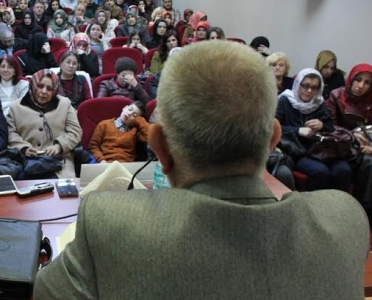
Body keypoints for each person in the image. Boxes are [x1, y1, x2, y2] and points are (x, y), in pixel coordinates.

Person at [33, 41, 369, 300]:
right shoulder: (346, 218)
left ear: (159, 147)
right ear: (273, 139)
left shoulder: (108, 222)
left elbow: (44, 292)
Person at [276, 68, 351, 192]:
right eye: (305, 85)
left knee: (343, 170)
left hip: (321, 148)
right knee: (321, 172)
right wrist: (298, 130)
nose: (309, 90)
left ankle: (339, 205)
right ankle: (318, 207)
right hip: (298, 150)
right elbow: (275, 127)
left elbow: (330, 127)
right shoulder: (285, 100)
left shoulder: (318, 103)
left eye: (314, 87)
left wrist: (322, 125)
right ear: (297, 84)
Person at [7, 69, 82, 178]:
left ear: (55, 90)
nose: (44, 91)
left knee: (61, 192)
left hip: (58, 161)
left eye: (49, 89)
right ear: (33, 85)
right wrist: (24, 148)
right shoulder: (15, 107)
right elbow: (10, 133)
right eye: (40, 86)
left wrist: (59, 146)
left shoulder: (65, 104)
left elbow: (75, 132)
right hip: (26, 161)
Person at [326, 63, 372, 209]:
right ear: (351, 79)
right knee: (368, 163)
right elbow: (329, 127)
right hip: (341, 146)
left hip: (366, 147)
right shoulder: (337, 95)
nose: (360, 86)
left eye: (367, 83)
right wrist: (353, 136)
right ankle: (361, 207)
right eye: (358, 80)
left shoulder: (370, 100)